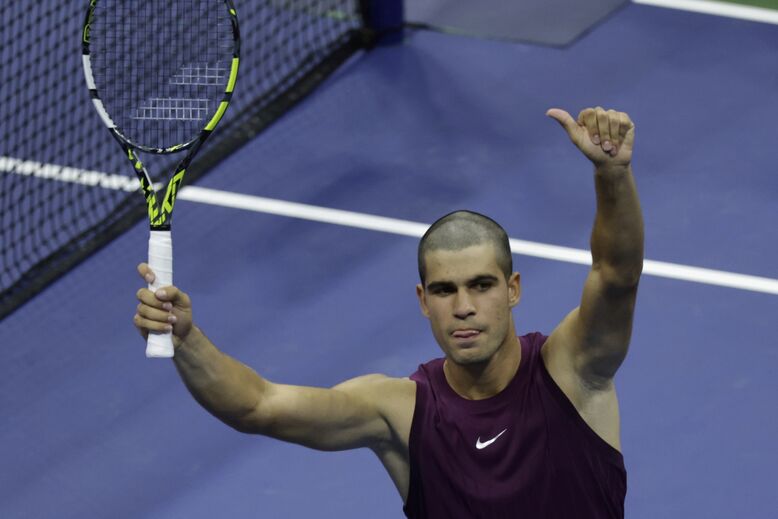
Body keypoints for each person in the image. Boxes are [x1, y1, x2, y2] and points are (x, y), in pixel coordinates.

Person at [134, 106, 643, 518]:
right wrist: (186, 338)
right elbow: (257, 406)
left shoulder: (572, 370)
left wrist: (612, 175)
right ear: (423, 301)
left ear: (513, 289)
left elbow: (616, 276)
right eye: (444, 290)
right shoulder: (399, 411)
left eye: (481, 286)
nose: (464, 308)